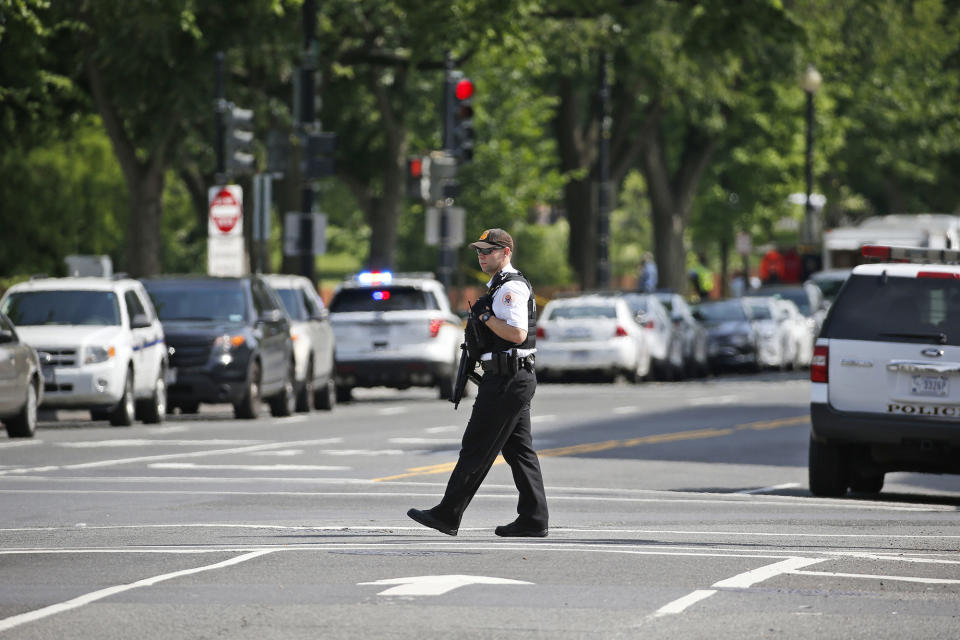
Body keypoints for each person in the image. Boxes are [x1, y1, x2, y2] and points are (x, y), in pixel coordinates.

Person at [407, 228, 548, 537]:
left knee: (476, 446)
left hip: (508, 378)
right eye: (479, 252)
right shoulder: (500, 286)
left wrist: (484, 318)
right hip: (510, 376)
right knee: (519, 450)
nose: (482, 256)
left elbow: (516, 334)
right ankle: (534, 517)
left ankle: (448, 513)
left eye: (489, 251)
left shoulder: (511, 288)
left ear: (506, 252)